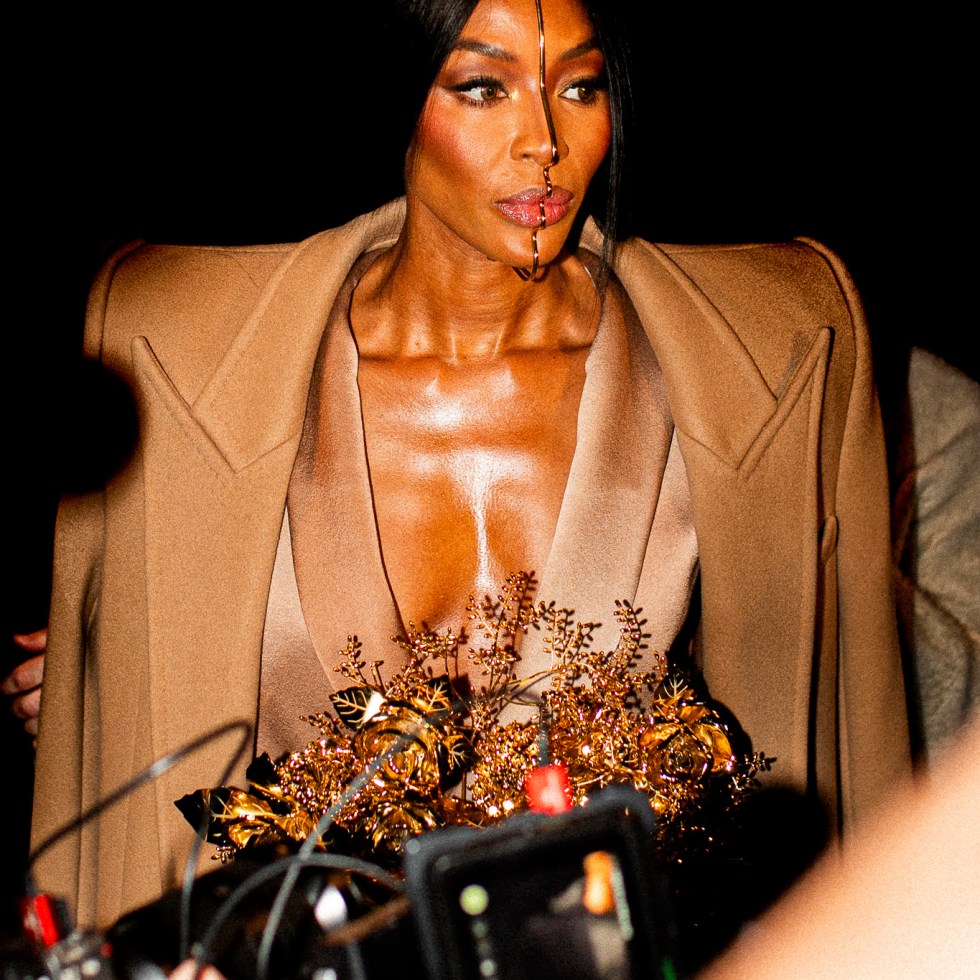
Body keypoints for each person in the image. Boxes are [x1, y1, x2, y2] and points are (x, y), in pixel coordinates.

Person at [30, 0, 908, 932]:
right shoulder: (169, 347)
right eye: (483, 87)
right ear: (394, 96)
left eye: (581, 87)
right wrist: (98, 661)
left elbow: (852, 743)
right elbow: (112, 773)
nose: (546, 142)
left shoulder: (780, 343)